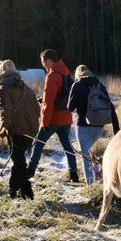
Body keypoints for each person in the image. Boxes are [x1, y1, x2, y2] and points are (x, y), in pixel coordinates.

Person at [27, 49, 80, 183]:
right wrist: (43, 98)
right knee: (68, 147)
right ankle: (74, 175)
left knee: (38, 144)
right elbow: (62, 94)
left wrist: (44, 123)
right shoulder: (66, 72)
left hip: (53, 119)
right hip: (67, 118)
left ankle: (29, 172)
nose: (43, 65)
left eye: (43, 62)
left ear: (49, 61)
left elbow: (49, 103)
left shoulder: (52, 76)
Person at [0, 60, 39, 199]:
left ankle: (27, 191)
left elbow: (5, 111)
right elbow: (37, 110)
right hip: (29, 129)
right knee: (18, 160)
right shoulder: (25, 87)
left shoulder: (2, 89)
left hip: (15, 130)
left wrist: (7, 127)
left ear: (1, 72)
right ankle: (13, 189)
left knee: (19, 161)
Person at [67, 65, 120, 185]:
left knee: (86, 157)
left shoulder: (77, 85)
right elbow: (110, 105)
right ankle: (99, 176)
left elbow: (70, 108)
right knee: (91, 154)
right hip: (99, 126)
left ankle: (90, 185)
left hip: (83, 126)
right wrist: (116, 127)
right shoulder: (100, 85)